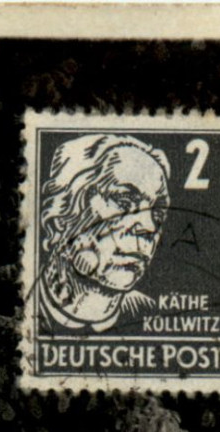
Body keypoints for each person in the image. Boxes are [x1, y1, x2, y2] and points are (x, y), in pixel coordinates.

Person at [37, 133, 172, 331]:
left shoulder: (150, 314)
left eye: (157, 215)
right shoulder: (21, 307)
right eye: (124, 201)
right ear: (60, 218)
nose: (149, 227)